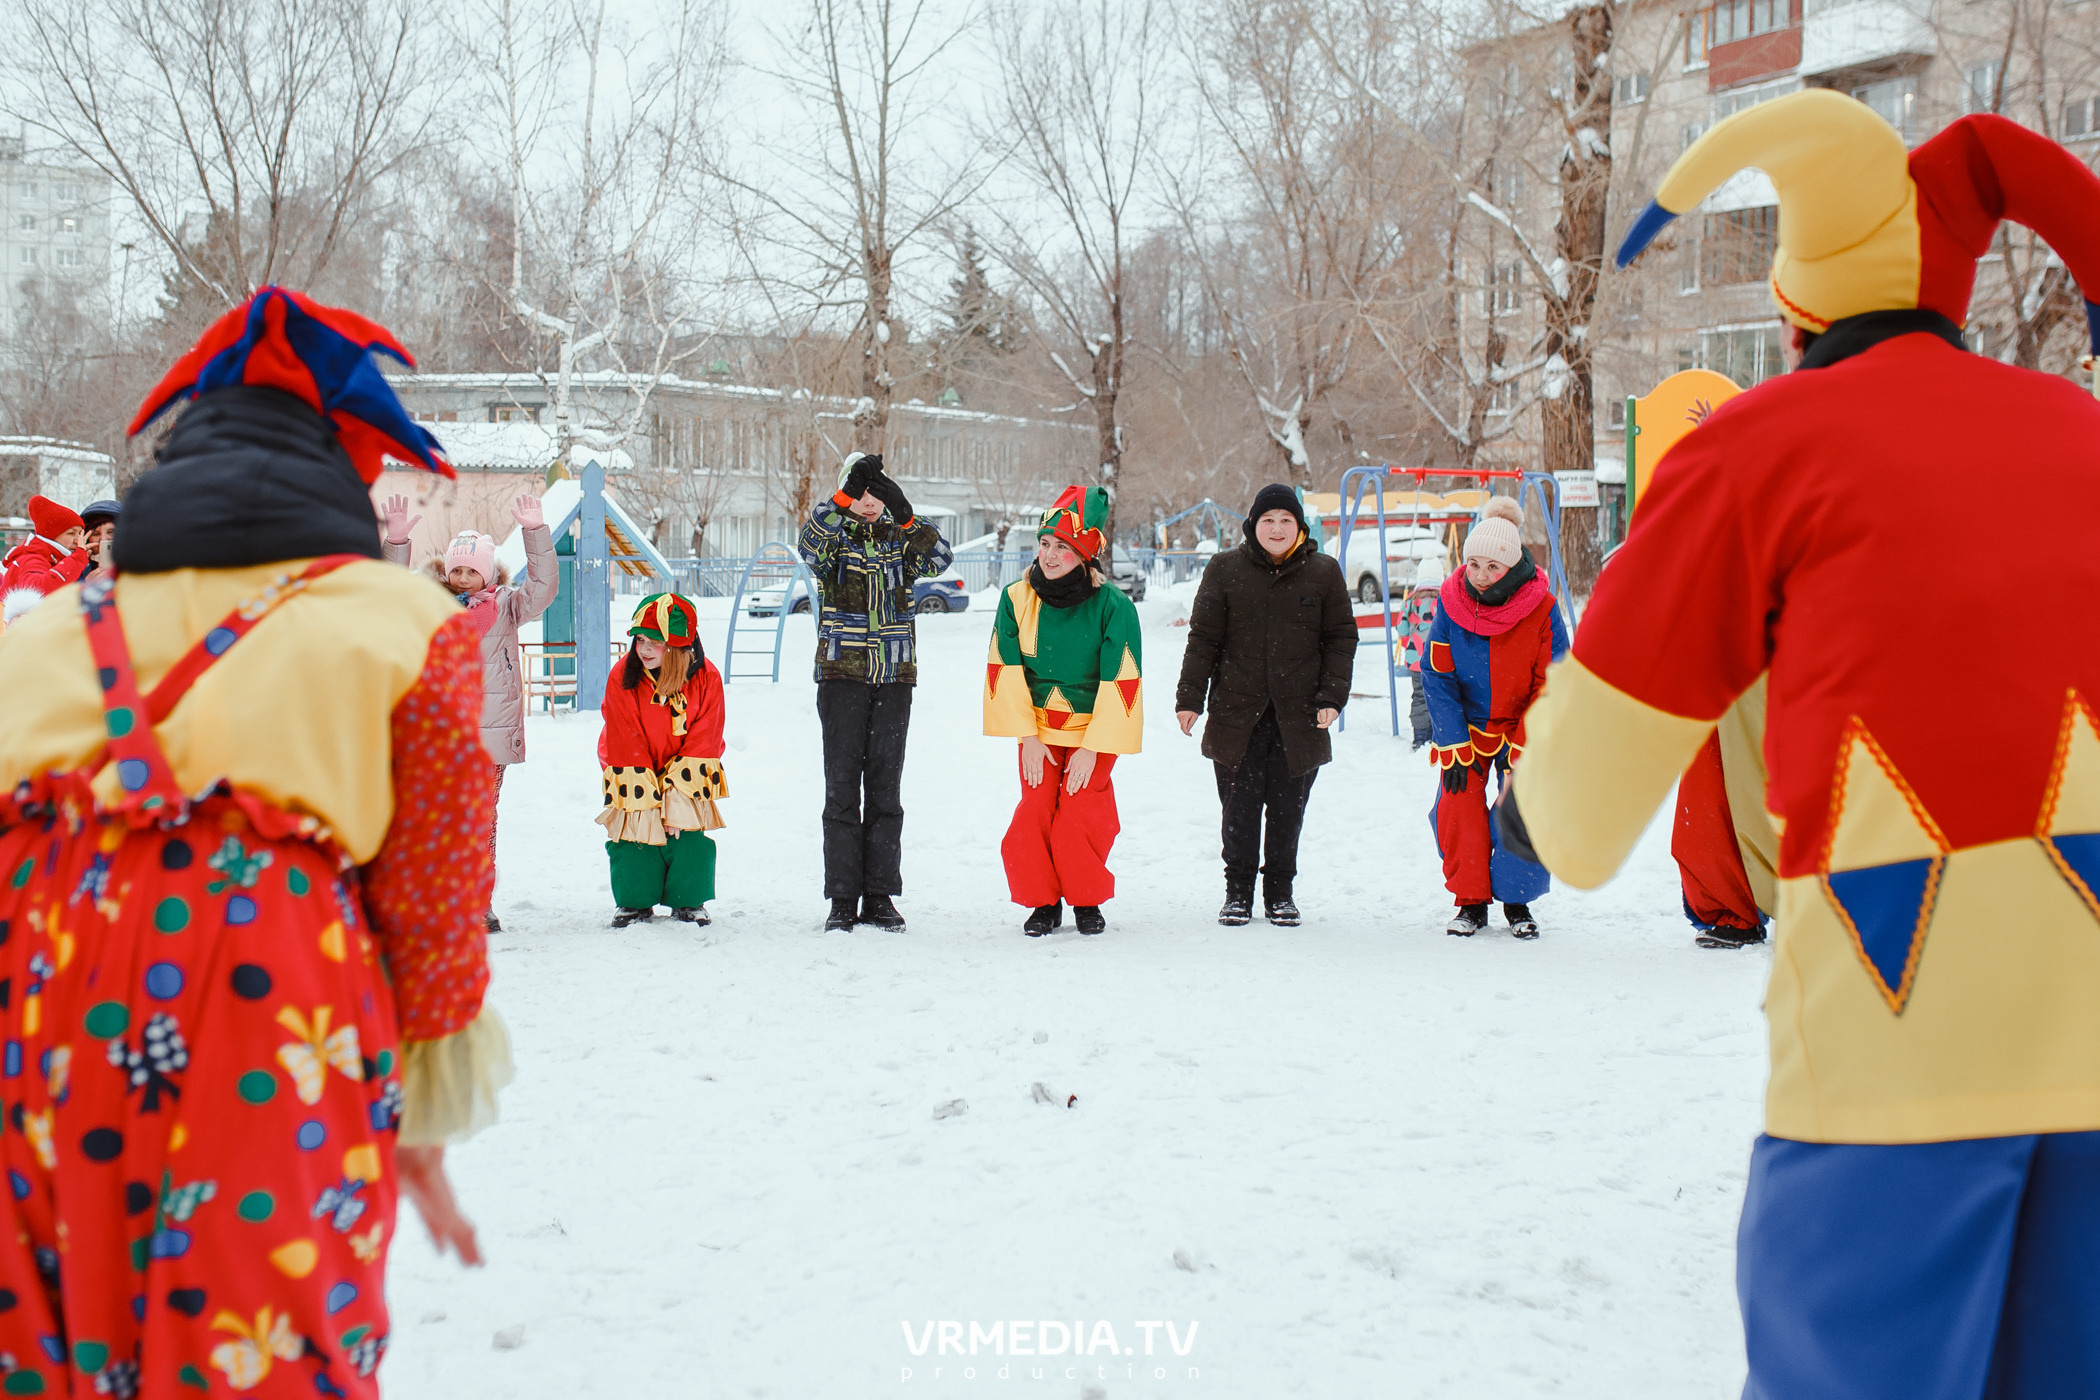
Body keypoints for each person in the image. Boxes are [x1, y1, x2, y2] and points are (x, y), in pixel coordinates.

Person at [1503, 95, 2100, 1397]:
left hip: (1899, 1061)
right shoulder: (2084, 434)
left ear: (1797, 311)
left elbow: (1582, 814)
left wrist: (1522, 808)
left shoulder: (1755, 453)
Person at [0, 286, 507, 1397]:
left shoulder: (41, 636)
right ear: (348, 467)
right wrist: (418, 1119)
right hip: (265, 1000)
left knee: (37, 1332)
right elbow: (432, 902)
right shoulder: (403, 623)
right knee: (256, 1337)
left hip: (28, 1006)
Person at [1175, 484, 1356, 926]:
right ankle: (1237, 891)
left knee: (1287, 810)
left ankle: (1280, 891)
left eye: (1286, 521)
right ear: (1253, 525)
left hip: (1300, 717)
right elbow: (1204, 639)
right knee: (1238, 808)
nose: (1276, 528)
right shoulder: (1224, 569)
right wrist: (1189, 697)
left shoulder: (1323, 572)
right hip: (1238, 714)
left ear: (1299, 528)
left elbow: (1340, 639)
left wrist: (1332, 697)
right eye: (1268, 520)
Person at [381, 494, 558, 934]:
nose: (463, 578)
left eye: (471, 570)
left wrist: (535, 533)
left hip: (488, 738)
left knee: (479, 821)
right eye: (456, 570)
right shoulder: (428, 607)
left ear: (488, 572)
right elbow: (386, 595)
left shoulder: (505, 607)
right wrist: (397, 543)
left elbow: (544, 589)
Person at [798, 451, 954, 933]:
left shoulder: (898, 538)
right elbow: (807, 547)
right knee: (842, 790)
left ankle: (881, 895)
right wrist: (840, 497)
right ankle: (843, 897)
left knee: (885, 791)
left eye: (876, 493)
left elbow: (941, 558)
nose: (869, 502)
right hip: (841, 679)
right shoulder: (834, 537)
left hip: (893, 680)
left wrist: (906, 515)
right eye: (860, 492)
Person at [985, 486, 1144, 936]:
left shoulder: (1115, 607)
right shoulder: (1016, 599)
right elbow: (1005, 666)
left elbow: (1123, 682)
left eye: (1063, 548)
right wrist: (1027, 737)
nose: (1050, 556)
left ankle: (1086, 899)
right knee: (1034, 812)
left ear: (1085, 556)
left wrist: (1093, 749)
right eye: (1045, 544)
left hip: (1094, 735)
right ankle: (1043, 901)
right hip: (1037, 732)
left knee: (1078, 821)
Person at [1423, 495, 1567, 938]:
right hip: (1466, 730)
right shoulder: (1450, 604)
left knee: (1520, 812)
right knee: (1457, 807)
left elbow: (1555, 680)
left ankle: (1517, 902)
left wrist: (1523, 749)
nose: (1481, 576)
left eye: (1493, 568)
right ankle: (1470, 901)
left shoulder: (1541, 607)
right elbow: (1437, 672)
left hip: (1522, 730)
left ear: (1513, 565)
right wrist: (1452, 741)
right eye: (1474, 565)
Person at [597, 593, 728, 929]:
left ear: (679, 645)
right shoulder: (622, 676)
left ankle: (688, 900)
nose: (644, 649)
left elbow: (706, 735)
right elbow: (623, 735)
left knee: (687, 831)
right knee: (636, 827)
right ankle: (634, 901)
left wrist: (676, 794)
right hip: (635, 763)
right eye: (640, 640)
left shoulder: (707, 677)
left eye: (655, 641)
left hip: (687, 767)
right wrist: (650, 792)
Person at [1, 495, 93, 625]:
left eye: (80, 533)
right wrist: (77, 560)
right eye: (71, 533)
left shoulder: (52, 558)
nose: (78, 540)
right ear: (51, 535)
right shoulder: (32, 557)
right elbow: (36, 590)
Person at [1400, 554, 1445, 750]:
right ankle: (1438, 733)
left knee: (1419, 695)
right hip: (1439, 659)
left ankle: (1419, 736)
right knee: (1439, 695)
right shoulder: (1445, 601)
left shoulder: (1410, 602)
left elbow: (1401, 630)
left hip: (1415, 657)